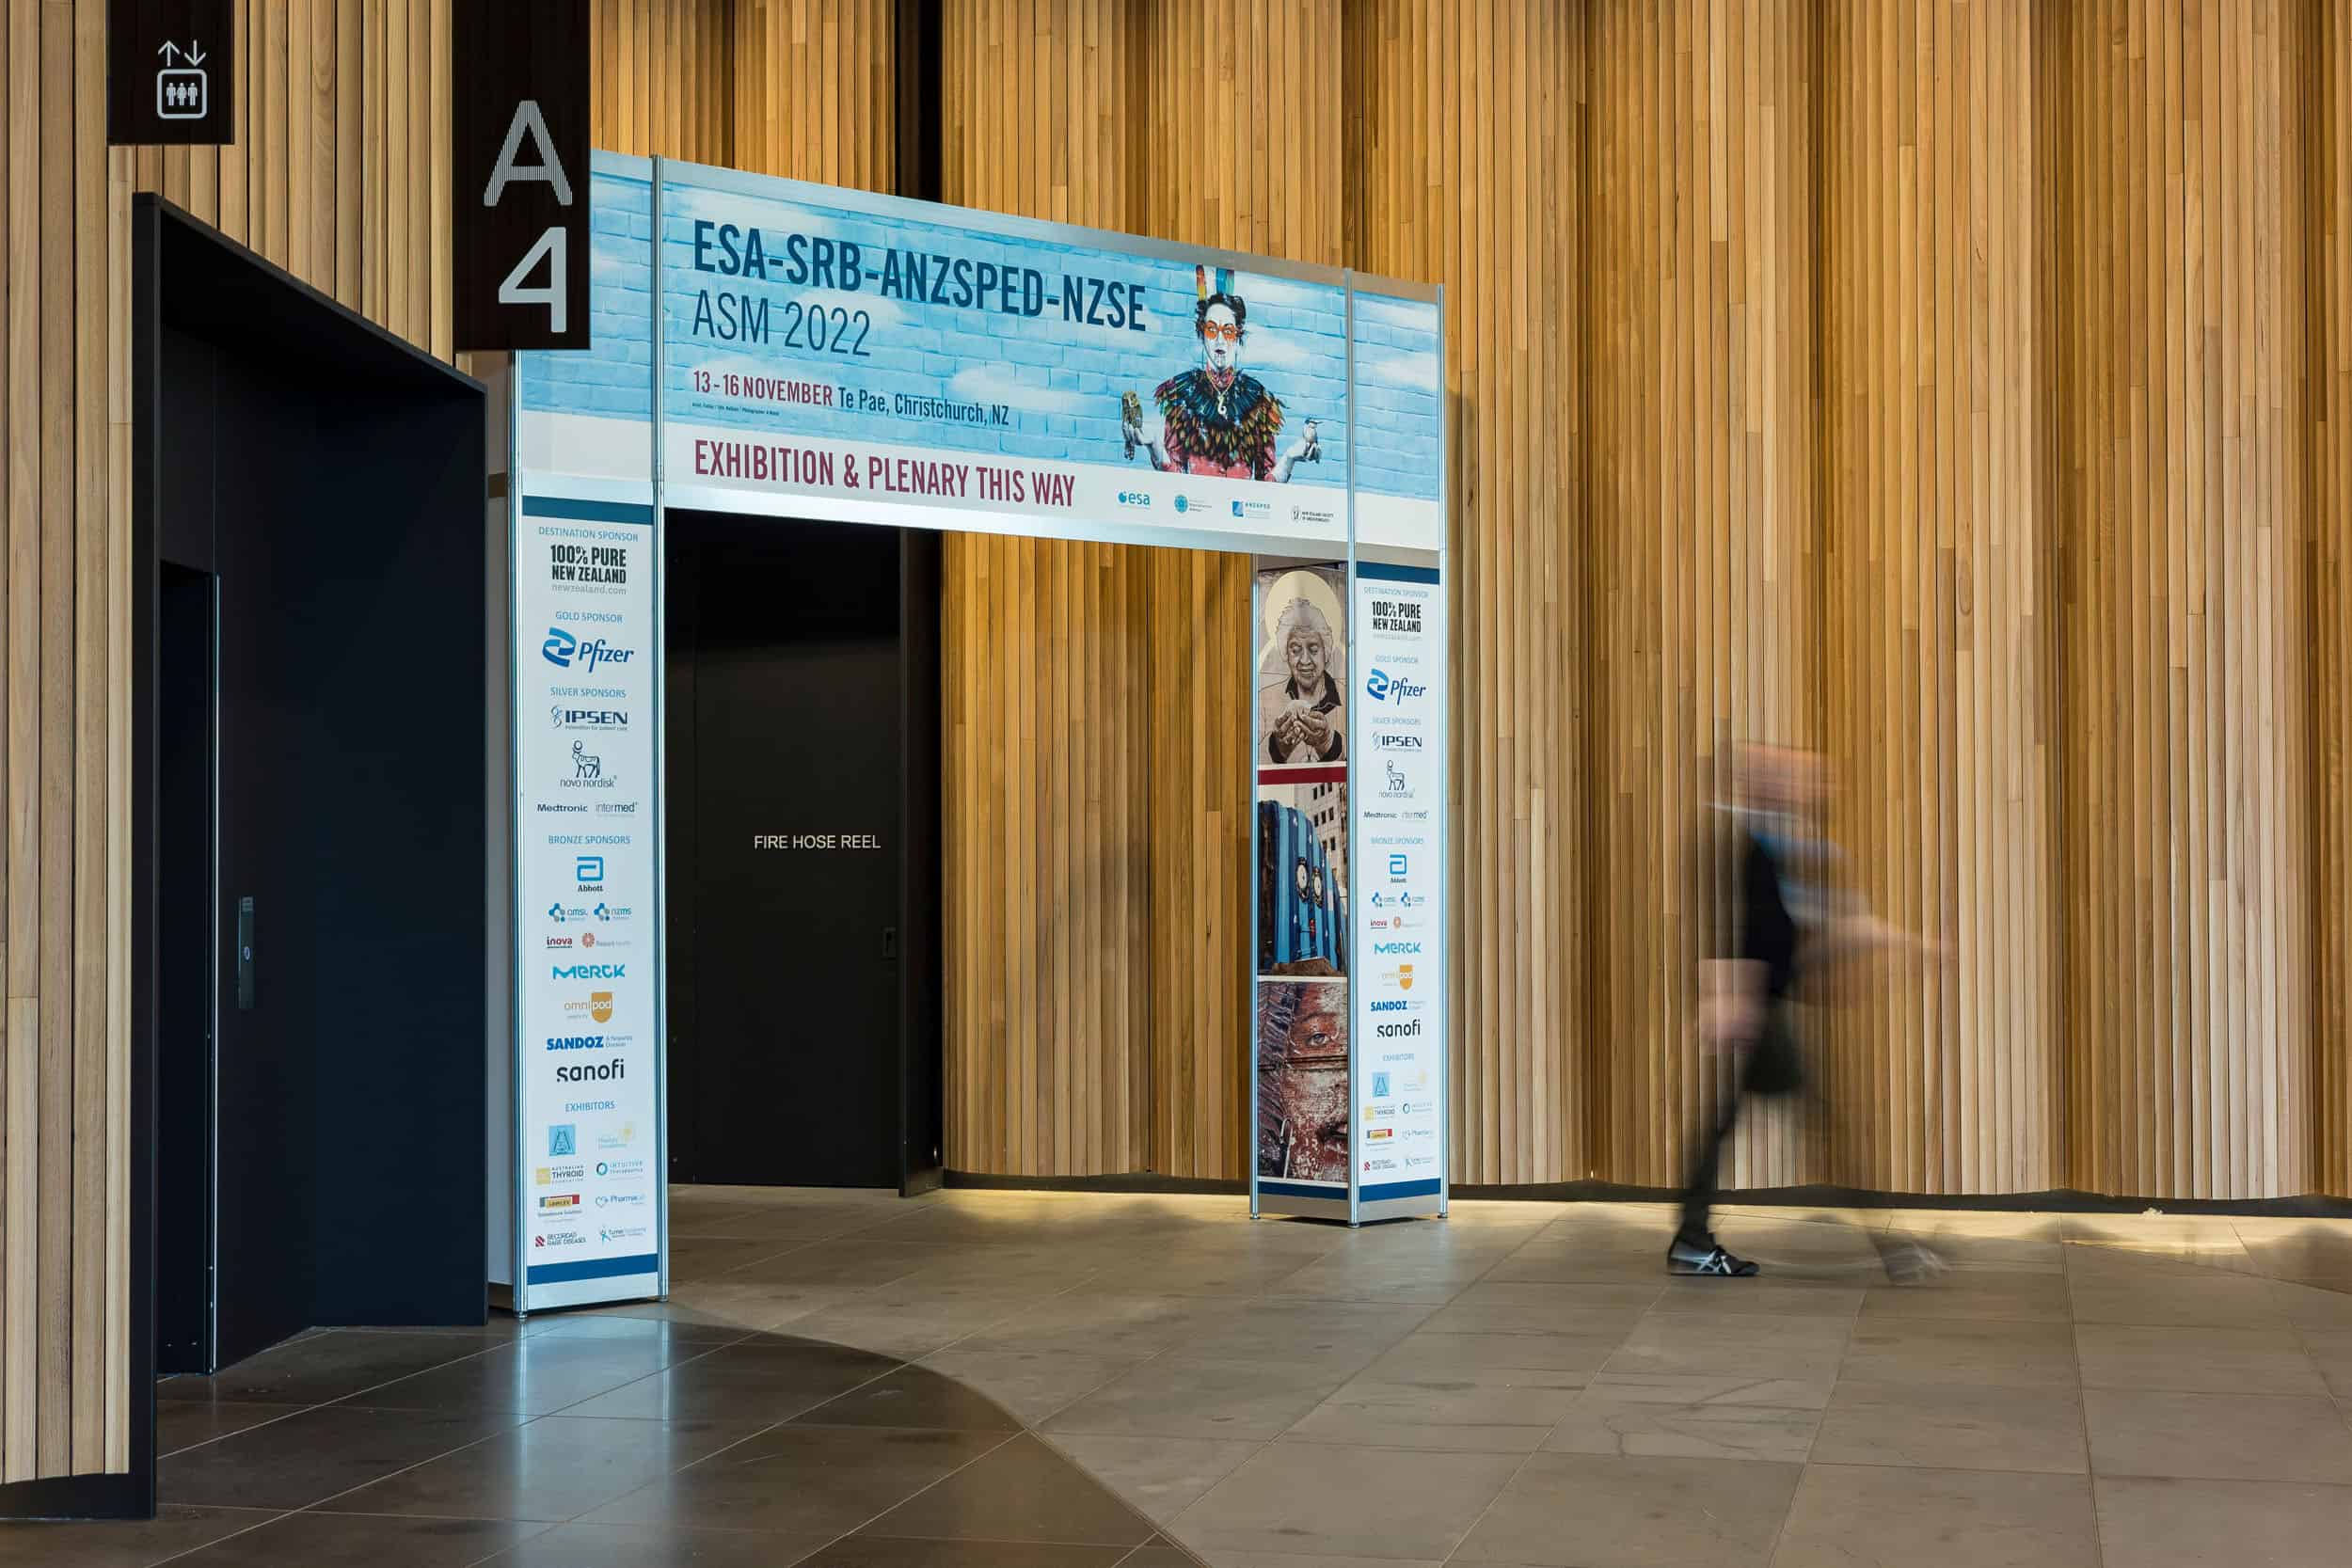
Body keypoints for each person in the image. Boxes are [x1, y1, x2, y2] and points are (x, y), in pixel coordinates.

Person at [1671, 744, 1941, 1279]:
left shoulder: (1784, 842)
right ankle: (1894, 1250)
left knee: (1734, 1123)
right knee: (1820, 1121)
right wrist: (1729, 997)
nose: (1804, 785)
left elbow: (1826, 925)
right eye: (1789, 776)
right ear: (1761, 783)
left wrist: (1912, 944)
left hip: (1763, 1003)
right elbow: (1736, 925)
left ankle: (1692, 1238)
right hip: (1757, 1007)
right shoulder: (1746, 843)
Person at [1124, 266, 1321, 482]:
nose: (1219, 340)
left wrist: (1290, 457)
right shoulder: (1182, 395)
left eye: (1227, 331)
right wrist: (1155, 446)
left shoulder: (1258, 400)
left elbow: (1266, 487)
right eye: (1211, 329)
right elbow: (1176, 481)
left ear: (1238, 335)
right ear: (1202, 333)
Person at [1258, 595, 1345, 763]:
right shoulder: (1264, 700)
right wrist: (1277, 747)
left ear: (1326, 653)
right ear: (1286, 655)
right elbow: (1248, 760)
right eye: (1296, 650)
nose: (1305, 660)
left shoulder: (1348, 697)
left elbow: (1365, 755)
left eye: (1313, 649)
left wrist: (1327, 742)